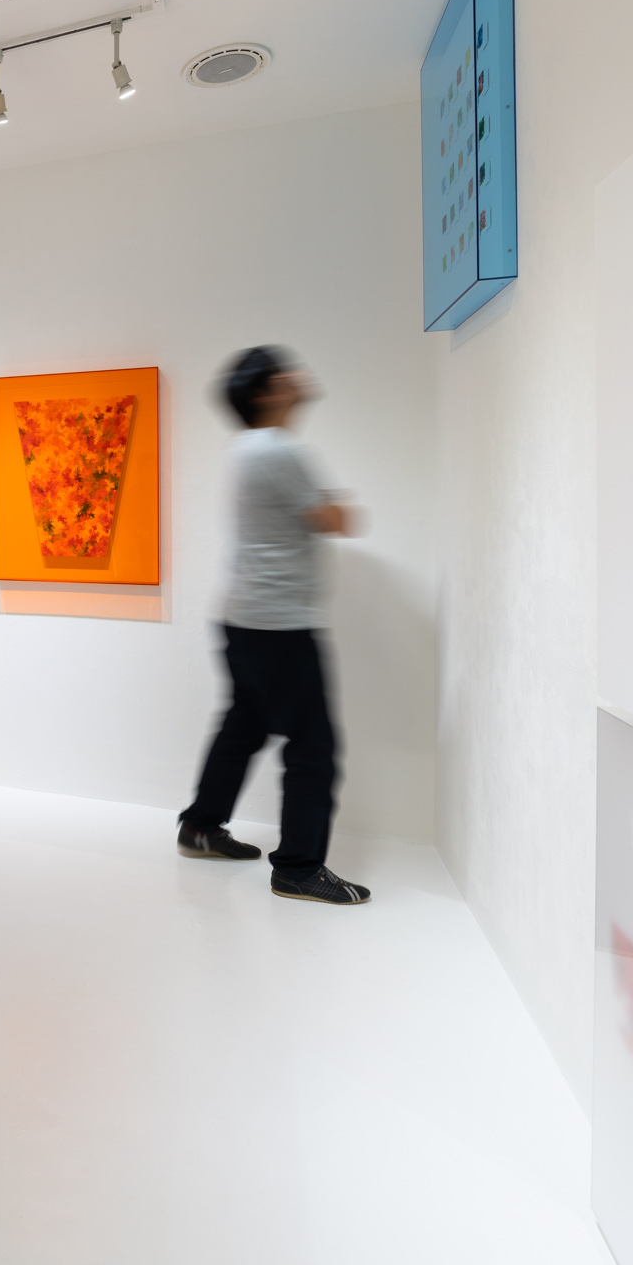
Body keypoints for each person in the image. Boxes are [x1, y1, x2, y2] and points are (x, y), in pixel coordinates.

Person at [177, 346, 371, 905]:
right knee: (313, 748)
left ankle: (200, 827)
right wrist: (334, 503)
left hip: (243, 618)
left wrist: (327, 506)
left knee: (243, 727)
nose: (297, 375)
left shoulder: (245, 448)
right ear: (264, 391)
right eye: (284, 371)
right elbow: (340, 520)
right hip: (280, 624)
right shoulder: (280, 450)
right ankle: (298, 868)